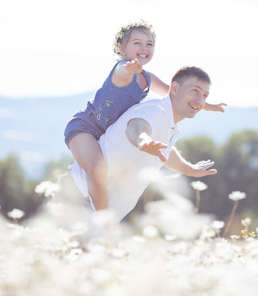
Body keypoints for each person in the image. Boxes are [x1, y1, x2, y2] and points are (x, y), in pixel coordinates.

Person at [64, 21, 226, 211]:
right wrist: (128, 68)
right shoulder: (122, 69)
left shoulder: (148, 78)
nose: (144, 48)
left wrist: (206, 105)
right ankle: (102, 219)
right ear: (121, 48)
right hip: (86, 128)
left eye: (149, 44)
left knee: (102, 169)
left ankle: (102, 220)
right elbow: (120, 73)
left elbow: (173, 93)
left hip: (105, 131)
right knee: (98, 170)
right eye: (137, 43)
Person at [69, 66, 218, 221]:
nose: (200, 100)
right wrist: (143, 141)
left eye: (205, 95)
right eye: (195, 91)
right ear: (174, 89)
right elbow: (136, 127)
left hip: (95, 212)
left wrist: (189, 169)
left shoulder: (167, 122)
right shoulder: (155, 111)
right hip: (79, 201)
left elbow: (164, 151)